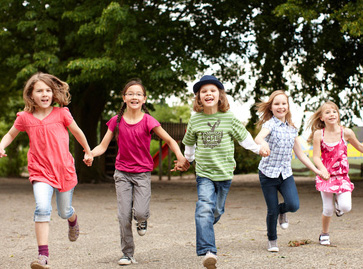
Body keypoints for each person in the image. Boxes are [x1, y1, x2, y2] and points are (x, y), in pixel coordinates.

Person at [88, 79, 189, 266]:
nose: (134, 96)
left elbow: (170, 141)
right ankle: (127, 253)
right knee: (123, 215)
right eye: (130, 93)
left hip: (142, 173)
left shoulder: (149, 121)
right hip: (122, 173)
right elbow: (102, 146)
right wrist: (90, 154)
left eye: (138, 94)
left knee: (140, 212)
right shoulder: (116, 121)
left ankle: (142, 220)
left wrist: (181, 157)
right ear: (124, 97)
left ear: (144, 99)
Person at [0, 72, 93, 269]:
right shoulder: (24, 117)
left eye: (48, 90)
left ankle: (72, 218)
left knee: (63, 211)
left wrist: (87, 151)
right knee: (42, 208)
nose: (45, 94)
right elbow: (10, 134)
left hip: (64, 169)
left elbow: (77, 132)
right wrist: (1, 145)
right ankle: (43, 256)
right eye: (39, 91)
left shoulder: (62, 114)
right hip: (40, 171)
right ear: (31, 95)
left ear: (53, 93)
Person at [181, 75, 269, 269]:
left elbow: (245, 139)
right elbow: (189, 144)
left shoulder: (229, 118)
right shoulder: (195, 120)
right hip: (204, 173)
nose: (208, 94)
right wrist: (187, 160)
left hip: (225, 174)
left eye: (212, 90)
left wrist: (259, 149)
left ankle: (206, 227)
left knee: (216, 211)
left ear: (220, 95)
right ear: (198, 98)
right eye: (203, 91)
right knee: (204, 207)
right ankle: (208, 251)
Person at [254, 90, 329, 253]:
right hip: (267, 174)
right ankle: (272, 240)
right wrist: (263, 144)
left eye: (283, 103)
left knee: (293, 205)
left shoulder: (292, 129)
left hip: (285, 174)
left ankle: (283, 212)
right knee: (271, 209)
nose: (280, 107)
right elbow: (258, 138)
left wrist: (317, 170)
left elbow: (301, 154)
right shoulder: (269, 125)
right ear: (271, 107)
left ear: (287, 106)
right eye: (276, 104)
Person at [307, 101, 363, 246]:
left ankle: (339, 205)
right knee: (328, 209)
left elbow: (360, 147)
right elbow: (316, 157)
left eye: (334, 111)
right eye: (327, 112)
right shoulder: (319, 134)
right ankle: (324, 234)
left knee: (346, 207)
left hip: (342, 176)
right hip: (325, 176)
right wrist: (322, 169)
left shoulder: (347, 132)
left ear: (338, 115)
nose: (331, 114)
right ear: (321, 117)